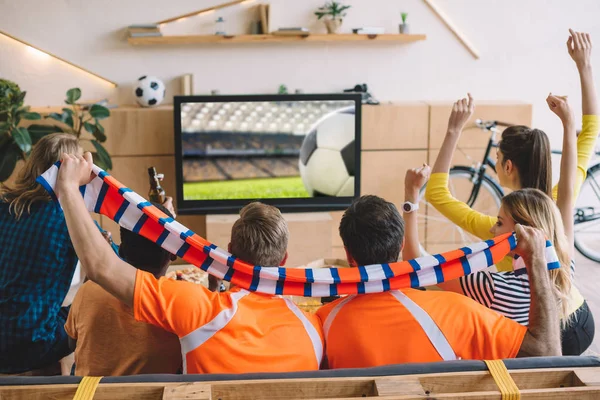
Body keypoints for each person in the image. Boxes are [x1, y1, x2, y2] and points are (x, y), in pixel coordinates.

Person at [53, 157, 323, 374]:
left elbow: (103, 267)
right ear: (284, 258)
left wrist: (67, 188)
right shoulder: (314, 326)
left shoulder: (200, 310)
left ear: (229, 252)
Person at [317, 190, 561, 369]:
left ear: (348, 255)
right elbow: (548, 354)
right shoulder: (458, 311)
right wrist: (537, 260)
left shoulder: (321, 324)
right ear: (401, 246)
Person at [425, 29, 598, 273]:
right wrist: (585, 65)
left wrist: (454, 130)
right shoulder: (559, 205)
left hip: (518, 312)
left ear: (508, 166)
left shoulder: (503, 227)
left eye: (497, 158)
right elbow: (591, 131)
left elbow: (436, 194)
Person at [65, 203, 182, 376]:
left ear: (121, 250)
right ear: (173, 253)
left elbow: (71, 344)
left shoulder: (87, 291)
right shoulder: (180, 300)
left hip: (92, 393)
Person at [0, 133, 81, 374]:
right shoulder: (67, 217)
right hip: (32, 346)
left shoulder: (4, 207)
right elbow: (119, 262)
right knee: (91, 309)